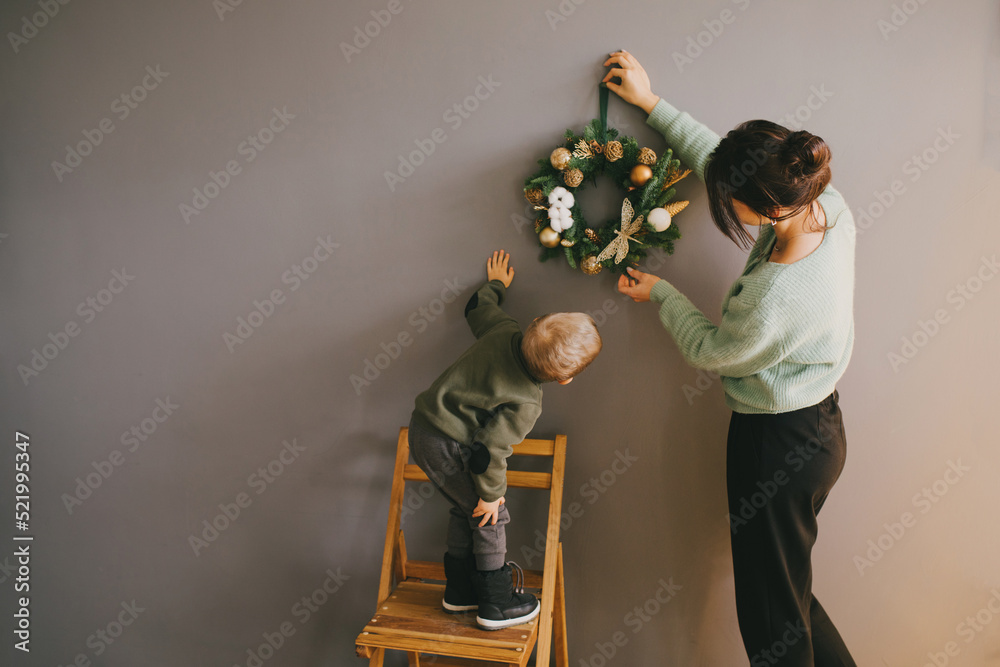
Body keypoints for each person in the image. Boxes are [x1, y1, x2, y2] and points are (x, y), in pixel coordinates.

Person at [604, 50, 857, 666]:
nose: (726, 208)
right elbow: (727, 163)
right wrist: (650, 103)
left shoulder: (774, 297)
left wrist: (662, 292)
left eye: (732, 205)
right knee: (790, 596)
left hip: (776, 446)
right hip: (820, 430)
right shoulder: (827, 206)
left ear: (769, 208)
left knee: (770, 620)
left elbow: (712, 351)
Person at [408, 249, 602, 630]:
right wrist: (493, 495)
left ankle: (460, 591)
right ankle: (496, 603)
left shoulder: (503, 331)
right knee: (490, 516)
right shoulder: (527, 401)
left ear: (532, 325)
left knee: (468, 509)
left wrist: (496, 284)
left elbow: (476, 307)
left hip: (425, 428)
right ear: (565, 379)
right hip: (446, 443)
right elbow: (487, 451)